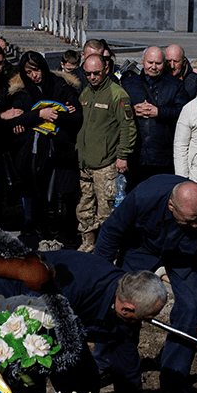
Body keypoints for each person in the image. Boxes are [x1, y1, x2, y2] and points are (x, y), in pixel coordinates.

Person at [0, 251, 164, 393]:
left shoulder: (128, 309)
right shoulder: (75, 288)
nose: (148, 322)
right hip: (20, 301)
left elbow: (127, 372)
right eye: (146, 318)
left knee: (85, 379)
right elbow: (26, 338)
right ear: (126, 308)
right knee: (29, 385)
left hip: (66, 321)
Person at [96, 176, 197, 393]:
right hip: (142, 247)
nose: (196, 225)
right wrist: (101, 277)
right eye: (189, 220)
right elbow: (111, 231)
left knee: (192, 306)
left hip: (184, 257)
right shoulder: (145, 196)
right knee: (125, 300)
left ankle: (173, 382)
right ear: (171, 206)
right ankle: (103, 361)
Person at [0, 51, 83, 250]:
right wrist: (39, 114)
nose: (33, 76)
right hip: (32, 153)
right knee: (36, 196)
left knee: (54, 196)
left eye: (36, 70)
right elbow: (15, 120)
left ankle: (55, 237)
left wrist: (54, 115)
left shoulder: (61, 86)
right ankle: (41, 237)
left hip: (58, 151)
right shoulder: (22, 91)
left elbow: (76, 116)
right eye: (28, 72)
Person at [74, 54, 136, 253]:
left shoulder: (117, 94)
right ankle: (88, 244)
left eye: (96, 73)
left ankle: (110, 250)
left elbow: (128, 127)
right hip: (85, 164)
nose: (92, 77)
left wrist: (123, 155)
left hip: (107, 164)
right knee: (84, 208)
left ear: (106, 69)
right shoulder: (84, 94)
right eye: (88, 73)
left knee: (107, 211)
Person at [121, 46, 189, 187]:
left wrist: (159, 112)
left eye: (157, 63)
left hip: (162, 157)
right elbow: (116, 111)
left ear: (164, 64)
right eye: (150, 62)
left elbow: (184, 112)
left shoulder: (175, 85)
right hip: (135, 155)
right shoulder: (129, 83)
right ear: (142, 62)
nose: (153, 67)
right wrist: (131, 111)